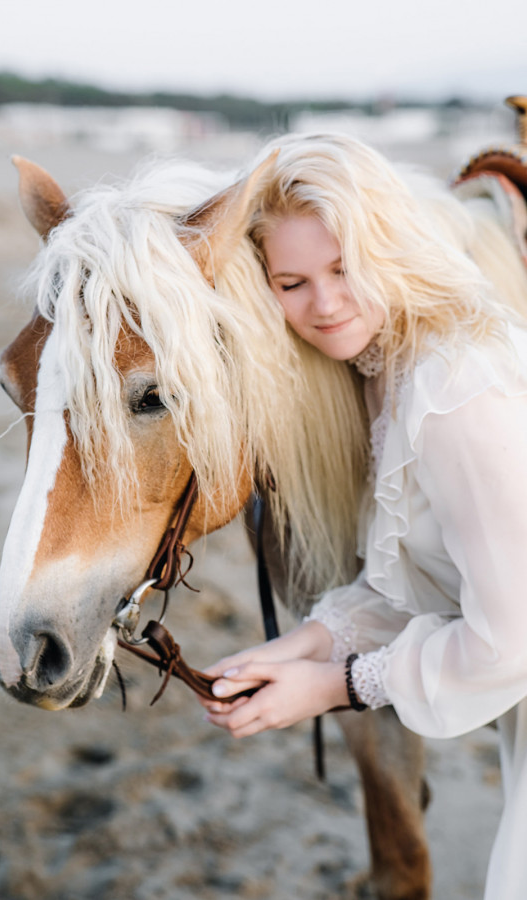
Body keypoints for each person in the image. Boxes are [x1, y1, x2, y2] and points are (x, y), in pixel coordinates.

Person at [199, 132, 527, 899]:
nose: (325, 303)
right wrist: (306, 646)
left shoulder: (454, 391)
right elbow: (426, 586)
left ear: (390, 243)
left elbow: (511, 639)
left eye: (345, 267)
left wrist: (334, 687)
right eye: (291, 282)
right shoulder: (387, 369)